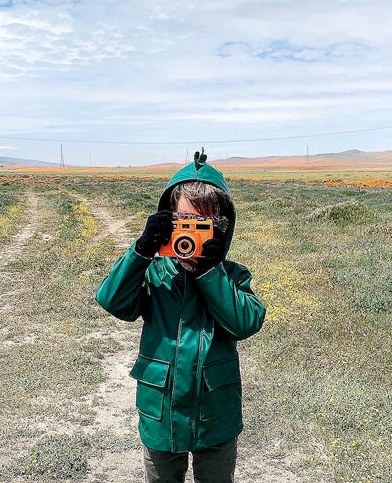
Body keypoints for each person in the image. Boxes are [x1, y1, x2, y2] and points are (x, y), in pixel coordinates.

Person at [95, 151, 266, 483]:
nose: (192, 234)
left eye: (205, 225)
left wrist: (210, 274)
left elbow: (246, 322)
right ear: (167, 219)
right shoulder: (155, 273)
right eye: (183, 222)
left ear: (223, 226)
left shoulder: (232, 277)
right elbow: (112, 300)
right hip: (161, 414)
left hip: (216, 416)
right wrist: (141, 250)